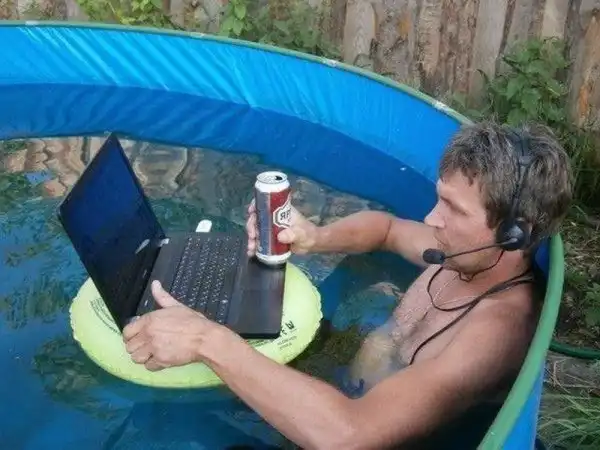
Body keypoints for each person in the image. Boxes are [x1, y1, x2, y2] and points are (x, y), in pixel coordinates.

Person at [122, 121, 572, 449]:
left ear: (515, 233)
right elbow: (387, 229)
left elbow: (351, 435)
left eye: (454, 209)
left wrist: (207, 339)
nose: (432, 219)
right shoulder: (464, 253)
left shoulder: (494, 334)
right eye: (440, 199)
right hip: (342, 389)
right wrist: (314, 238)